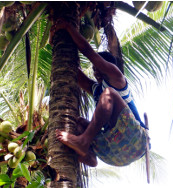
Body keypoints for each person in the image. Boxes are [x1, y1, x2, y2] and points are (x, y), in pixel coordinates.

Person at [53, 21, 149, 167]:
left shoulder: (117, 78)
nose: (95, 71)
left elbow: (88, 51)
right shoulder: (97, 90)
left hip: (136, 140)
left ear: (109, 66)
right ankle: (89, 156)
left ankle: (84, 141)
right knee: (78, 122)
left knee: (109, 94)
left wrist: (67, 26)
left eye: (98, 66)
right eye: (94, 69)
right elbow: (75, 73)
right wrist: (56, 43)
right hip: (114, 154)